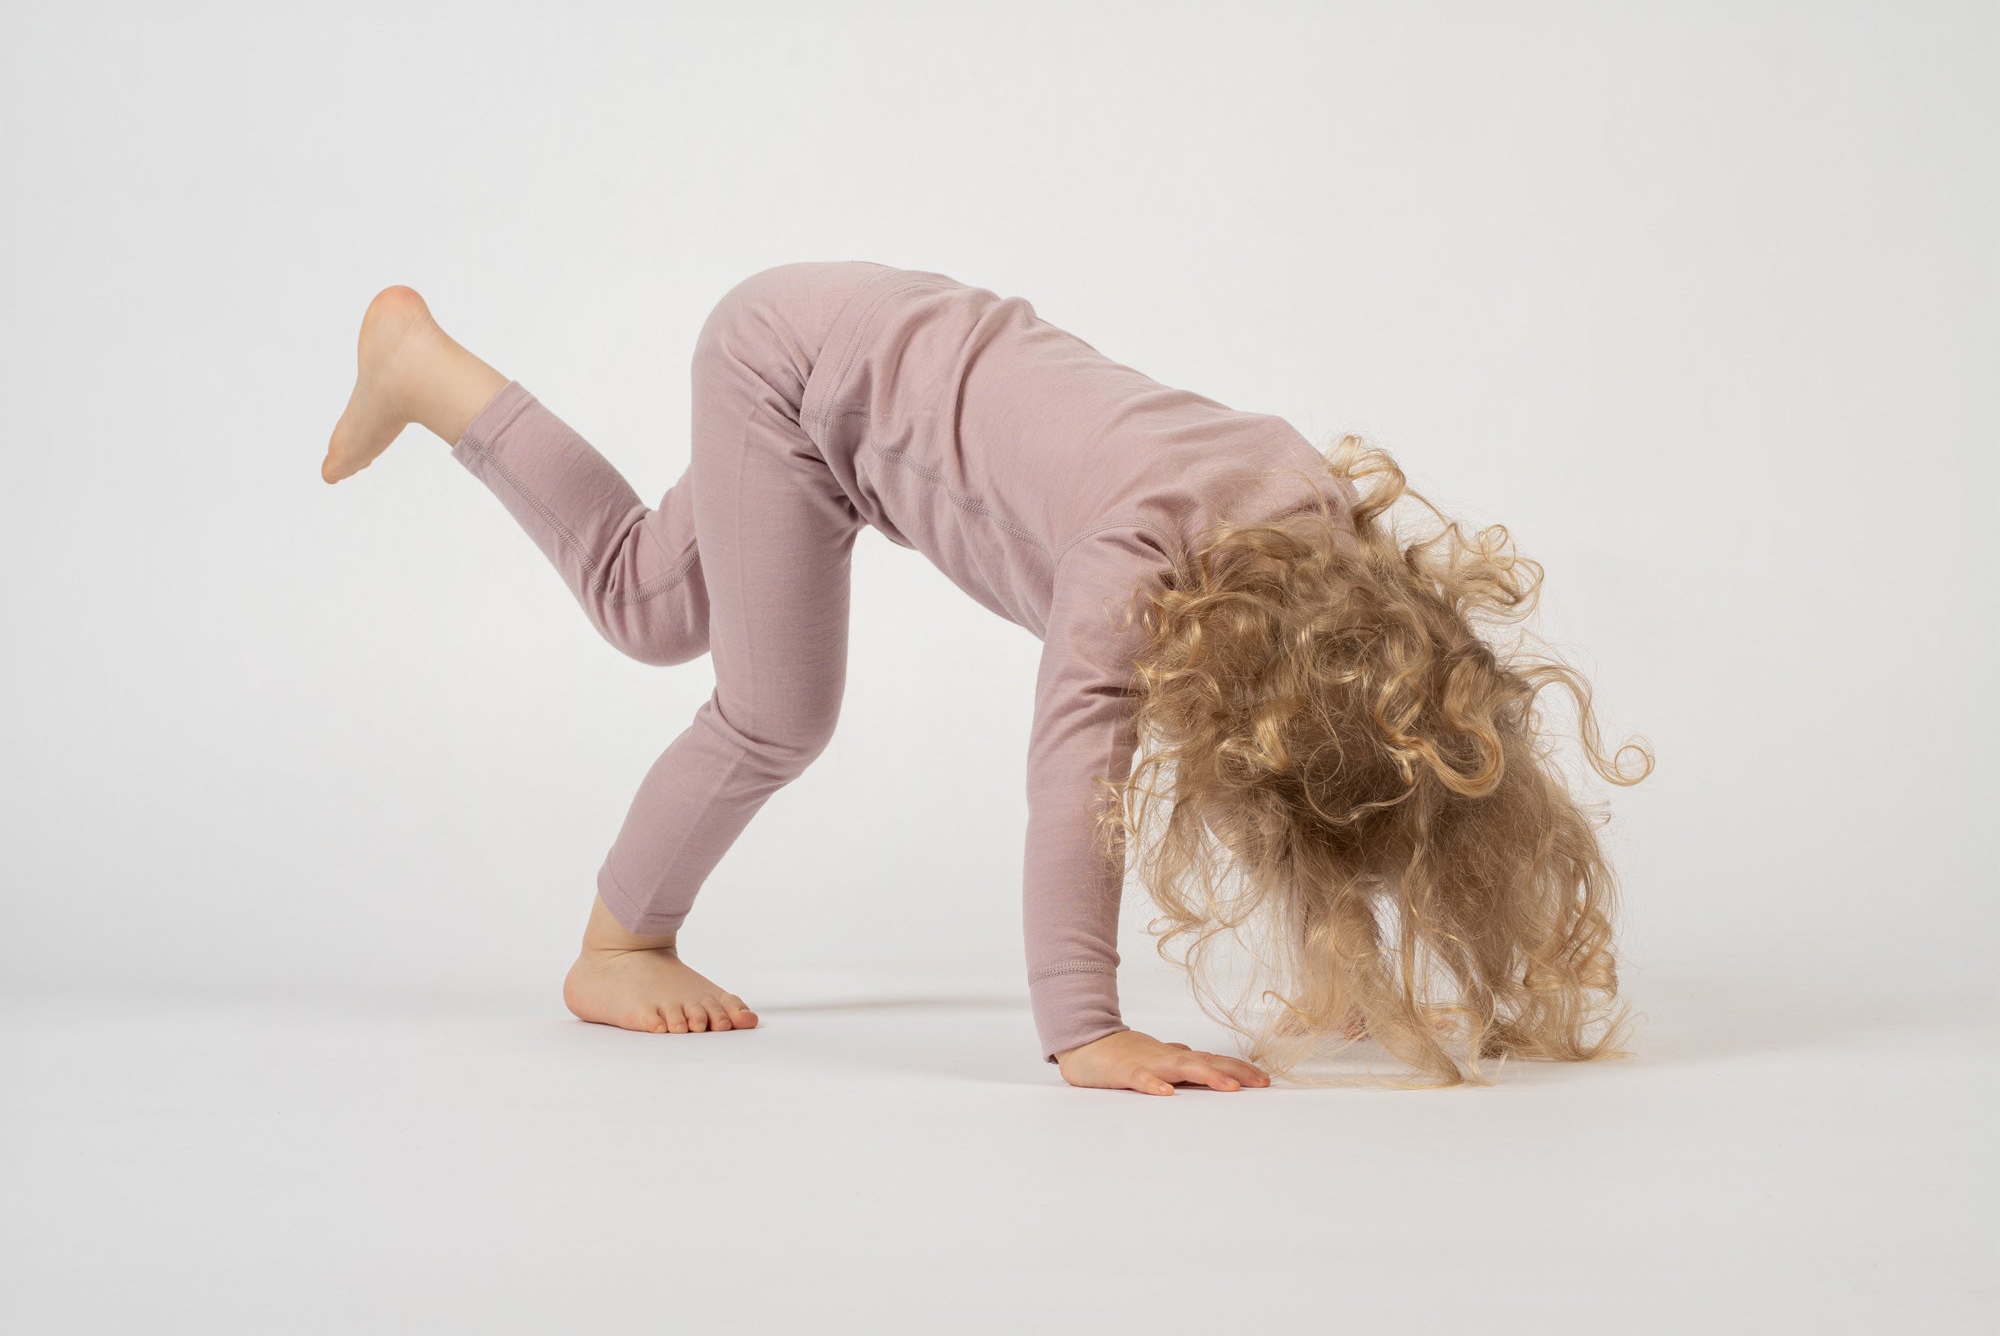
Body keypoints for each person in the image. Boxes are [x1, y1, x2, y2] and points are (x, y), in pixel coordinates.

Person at [322, 260, 1650, 1094]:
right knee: (776, 713)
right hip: (793, 377)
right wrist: (1086, 1029)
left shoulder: (1313, 519)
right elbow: (1074, 780)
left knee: (647, 603)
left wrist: (1358, 975)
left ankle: (420, 370)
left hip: (867, 338)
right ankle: (619, 946)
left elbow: (1360, 762)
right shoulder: (1138, 564)